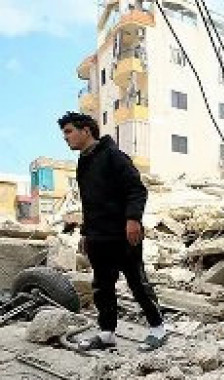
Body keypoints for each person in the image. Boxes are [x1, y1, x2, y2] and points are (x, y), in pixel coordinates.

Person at [58, 111, 167, 351]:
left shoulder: (114, 156)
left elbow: (136, 189)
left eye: (69, 131)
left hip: (124, 234)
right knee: (102, 286)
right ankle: (107, 333)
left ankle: (158, 328)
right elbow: (89, 202)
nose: (65, 137)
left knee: (137, 282)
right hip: (98, 236)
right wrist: (85, 233)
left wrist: (133, 219)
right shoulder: (84, 162)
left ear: (86, 130)